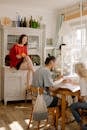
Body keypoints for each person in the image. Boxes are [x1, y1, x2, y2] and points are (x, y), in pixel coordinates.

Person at [70, 63, 87, 130]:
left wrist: (80, 99)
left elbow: (83, 96)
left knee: (72, 106)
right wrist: (72, 82)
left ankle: (81, 124)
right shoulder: (85, 77)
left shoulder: (82, 79)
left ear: (77, 71)